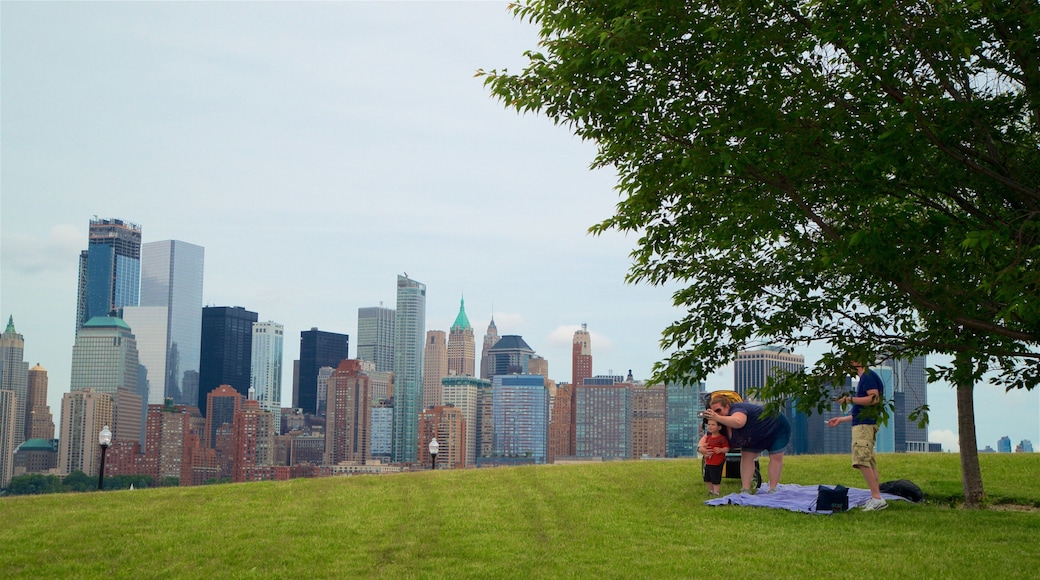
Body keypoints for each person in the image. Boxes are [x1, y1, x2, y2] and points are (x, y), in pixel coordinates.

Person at [827, 360, 887, 511]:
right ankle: (876, 497)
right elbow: (862, 409)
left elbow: (874, 398)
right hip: (863, 424)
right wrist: (841, 419)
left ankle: (877, 498)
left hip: (864, 427)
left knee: (861, 460)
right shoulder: (865, 378)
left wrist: (849, 399)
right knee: (869, 461)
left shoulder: (867, 376)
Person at [704, 396, 791, 494]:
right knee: (746, 457)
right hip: (753, 435)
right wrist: (701, 449)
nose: (716, 414)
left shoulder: (737, 409)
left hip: (776, 427)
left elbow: (739, 422)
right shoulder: (719, 424)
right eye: (713, 412)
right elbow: (706, 438)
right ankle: (745, 489)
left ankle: (773, 488)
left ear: (727, 407)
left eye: (718, 410)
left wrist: (717, 417)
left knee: (776, 457)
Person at [698, 419, 730, 496]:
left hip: (717, 462)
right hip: (708, 461)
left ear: (719, 427)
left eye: (713, 425)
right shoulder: (708, 437)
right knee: (707, 478)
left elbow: (727, 449)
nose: (710, 426)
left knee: (715, 478)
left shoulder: (722, 438)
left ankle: (716, 492)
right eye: (709, 424)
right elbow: (704, 446)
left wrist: (721, 450)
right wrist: (704, 448)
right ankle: (711, 491)